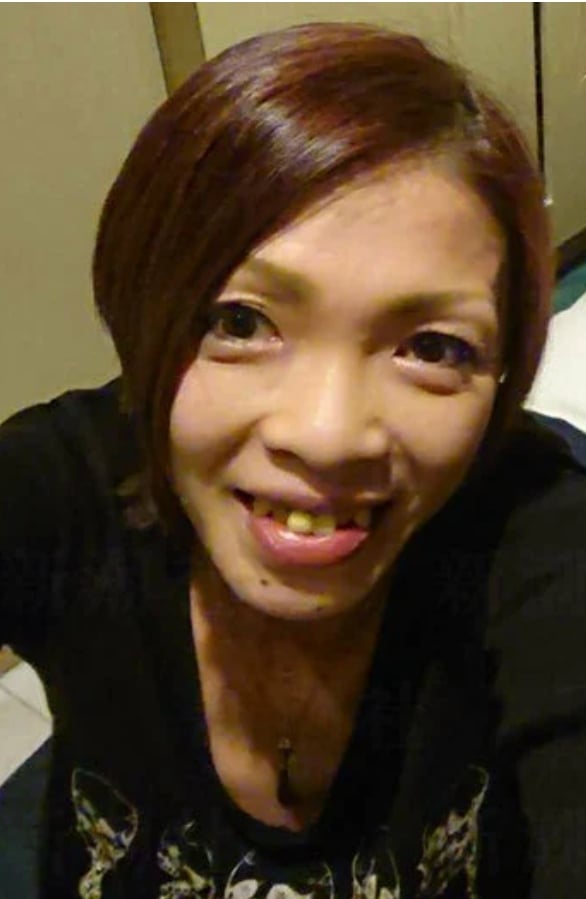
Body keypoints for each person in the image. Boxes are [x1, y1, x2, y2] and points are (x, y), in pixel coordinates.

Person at [1, 21, 585, 899]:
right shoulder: (68, 488)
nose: (326, 434)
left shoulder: (537, 532)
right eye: (240, 322)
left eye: (431, 346)